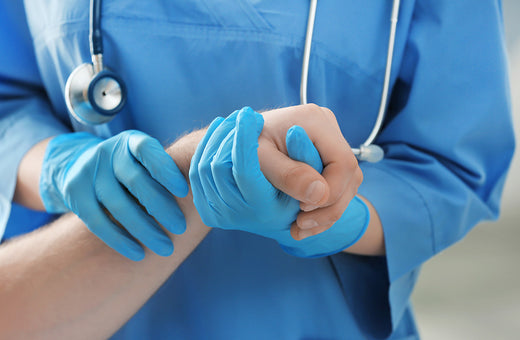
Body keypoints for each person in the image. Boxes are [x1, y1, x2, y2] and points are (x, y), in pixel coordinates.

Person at [0, 1, 514, 340]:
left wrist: (330, 212)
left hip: (306, 318)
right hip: (72, 294)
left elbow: (453, 164)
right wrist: (56, 163)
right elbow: (7, 98)